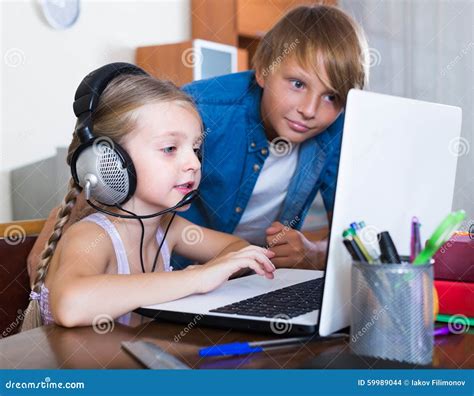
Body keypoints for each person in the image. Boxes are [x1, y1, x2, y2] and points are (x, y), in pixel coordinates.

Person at [28, 4, 368, 277]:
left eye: (332, 97)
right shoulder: (200, 110)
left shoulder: (337, 129)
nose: (309, 110)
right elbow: (102, 183)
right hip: (172, 274)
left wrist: (311, 253)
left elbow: (357, 237)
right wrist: (47, 261)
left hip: (248, 274)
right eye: (297, 84)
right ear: (263, 70)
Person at [21, 66, 275, 330]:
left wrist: (219, 268)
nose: (194, 163)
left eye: (196, 148)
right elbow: (70, 305)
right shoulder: (92, 236)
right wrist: (197, 278)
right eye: (169, 149)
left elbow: (238, 249)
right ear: (107, 161)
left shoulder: (169, 227)